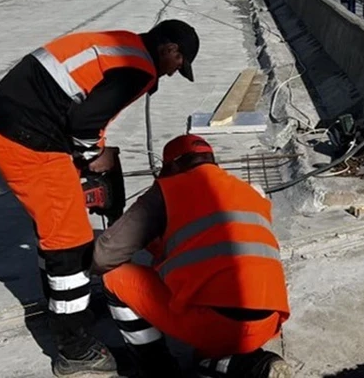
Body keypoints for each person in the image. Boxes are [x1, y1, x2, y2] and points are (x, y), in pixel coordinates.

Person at [0, 20, 200, 376]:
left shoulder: (124, 45)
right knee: (69, 243)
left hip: (14, 124)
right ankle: (75, 349)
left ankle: (67, 304)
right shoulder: (139, 67)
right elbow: (85, 122)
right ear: (170, 49)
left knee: (55, 227)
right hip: (26, 138)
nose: (175, 72)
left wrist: (85, 156)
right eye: (180, 64)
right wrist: (94, 154)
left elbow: (77, 106)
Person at [93, 134, 291, 378]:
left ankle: (156, 368)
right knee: (202, 358)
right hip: (268, 322)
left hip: (215, 325)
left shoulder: (169, 189)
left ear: (172, 166)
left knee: (113, 277)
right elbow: (205, 245)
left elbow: (103, 257)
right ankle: (253, 365)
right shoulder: (249, 192)